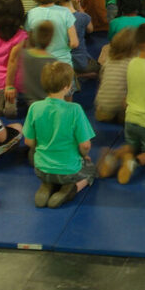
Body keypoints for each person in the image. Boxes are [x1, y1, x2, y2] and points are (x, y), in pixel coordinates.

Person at [98, 23, 145, 184]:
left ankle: (114, 155)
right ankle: (133, 163)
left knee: (132, 145)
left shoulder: (132, 63)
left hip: (131, 118)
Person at [23, 60, 95, 208]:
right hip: (68, 171)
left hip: (41, 168)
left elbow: (28, 142)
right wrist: (84, 155)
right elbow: (85, 145)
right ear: (67, 87)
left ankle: (47, 184)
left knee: (46, 167)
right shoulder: (75, 110)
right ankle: (71, 189)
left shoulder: (35, 107)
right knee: (91, 170)